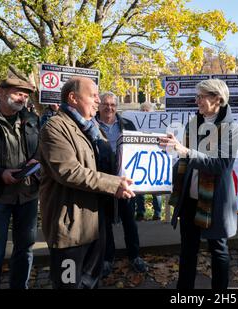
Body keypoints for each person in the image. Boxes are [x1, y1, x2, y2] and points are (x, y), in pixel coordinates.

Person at [39, 77, 135, 289]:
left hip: (95, 225)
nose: (98, 101)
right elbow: (69, 171)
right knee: (69, 284)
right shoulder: (54, 128)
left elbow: (109, 164)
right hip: (70, 228)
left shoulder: (93, 128)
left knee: (91, 282)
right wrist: (114, 184)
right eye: (92, 96)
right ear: (73, 98)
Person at [160, 79, 238, 289]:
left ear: (218, 99)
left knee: (218, 250)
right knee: (187, 249)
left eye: (201, 97)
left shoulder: (231, 128)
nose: (197, 101)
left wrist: (185, 151)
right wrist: (170, 151)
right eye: (197, 97)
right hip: (189, 198)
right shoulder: (192, 123)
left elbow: (221, 165)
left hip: (215, 201)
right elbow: (184, 158)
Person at [95, 92, 148, 278]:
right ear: (98, 105)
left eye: (112, 104)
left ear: (116, 107)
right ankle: (107, 259)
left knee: (130, 221)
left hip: (127, 183)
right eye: (105, 104)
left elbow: (141, 148)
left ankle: (134, 256)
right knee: (105, 223)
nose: (109, 107)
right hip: (102, 181)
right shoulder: (90, 126)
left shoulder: (128, 125)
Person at [0, 78, 39, 289]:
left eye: (26, 94)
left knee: (25, 249)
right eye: (18, 92)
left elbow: (41, 148)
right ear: (1, 92)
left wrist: (36, 159)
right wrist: (0, 174)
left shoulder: (31, 118)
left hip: (27, 194)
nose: (23, 97)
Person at [135, 101, 162, 221]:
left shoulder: (157, 125)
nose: (145, 113)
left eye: (147, 110)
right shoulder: (135, 124)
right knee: (139, 190)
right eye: (143, 110)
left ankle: (157, 213)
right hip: (140, 160)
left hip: (154, 160)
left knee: (156, 190)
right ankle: (140, 212)